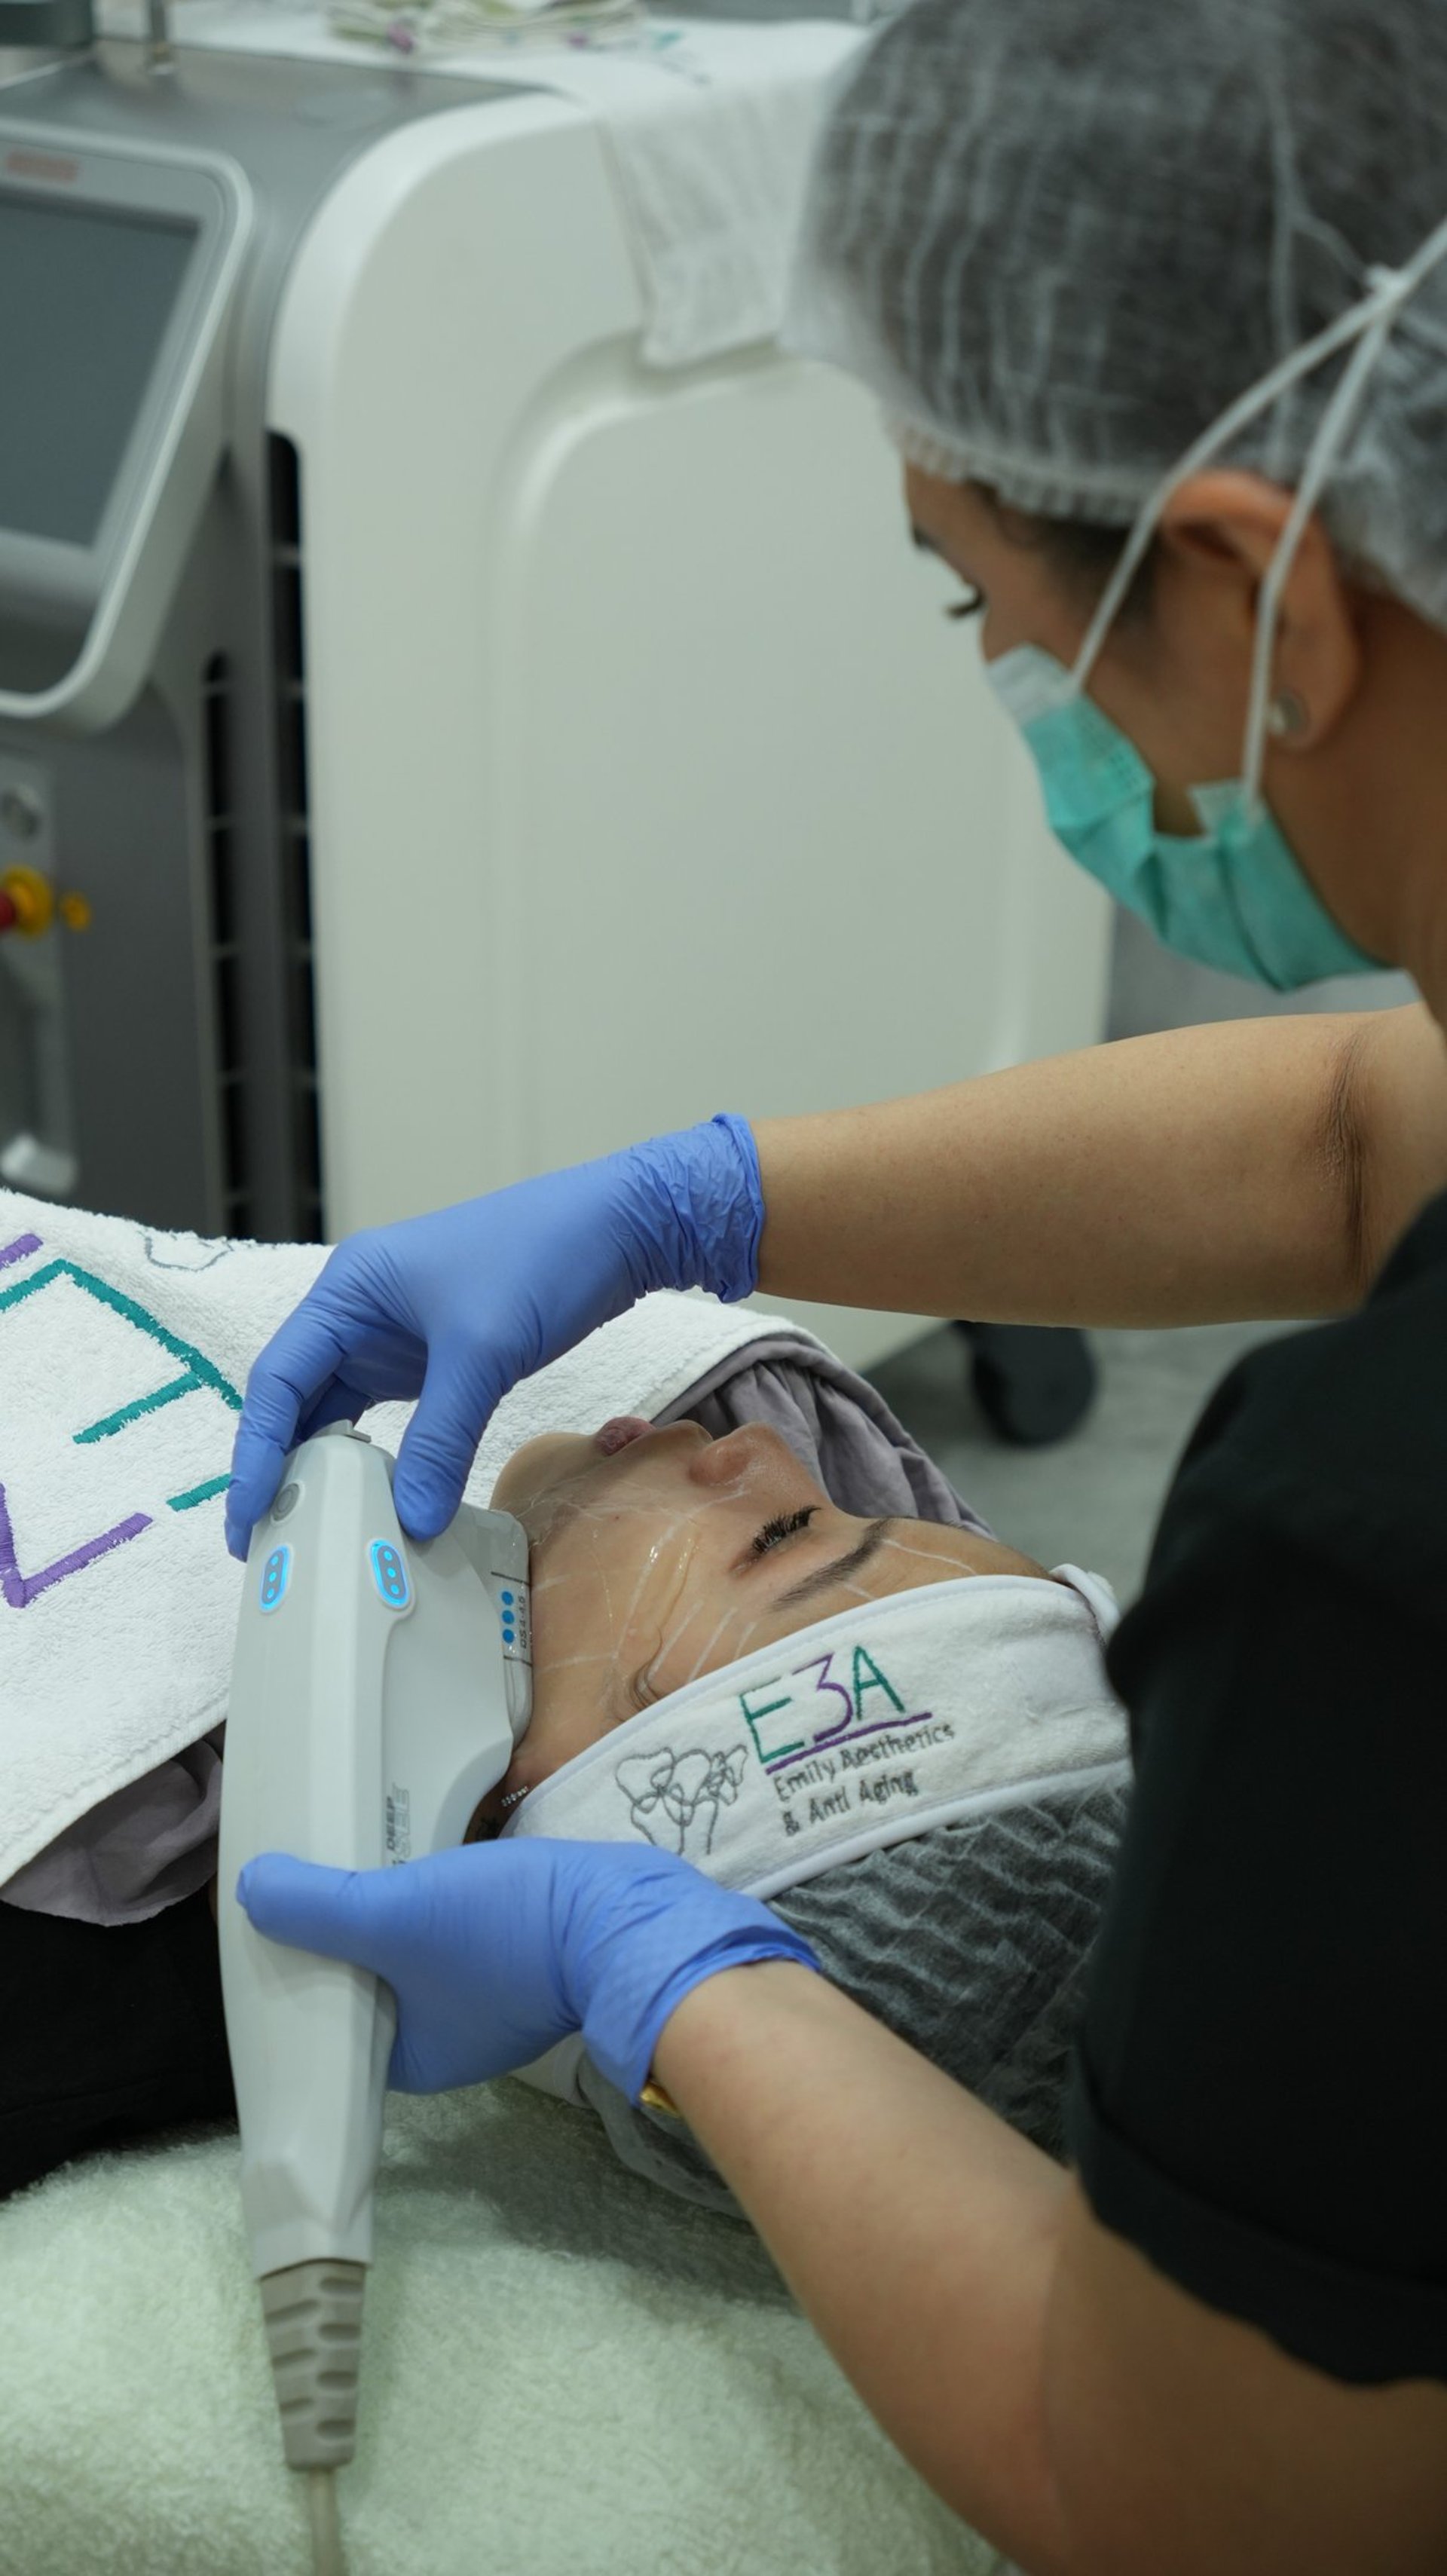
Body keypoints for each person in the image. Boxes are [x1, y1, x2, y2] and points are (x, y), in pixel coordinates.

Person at [225, 5, 1447, 2568]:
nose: (740, 1430)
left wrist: (667, 1961)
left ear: (1259, 593)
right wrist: (701, 1193)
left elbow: (1183, 2487)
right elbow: (1365, 1127)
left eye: (982, 601)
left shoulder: (1365, 1554)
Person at [0, 1369, 1127, 2217]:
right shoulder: (730, 1381)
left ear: (540, 1795)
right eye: (842, 1495)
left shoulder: (55, 1941)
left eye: (782, 1536)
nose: (764, 1444)